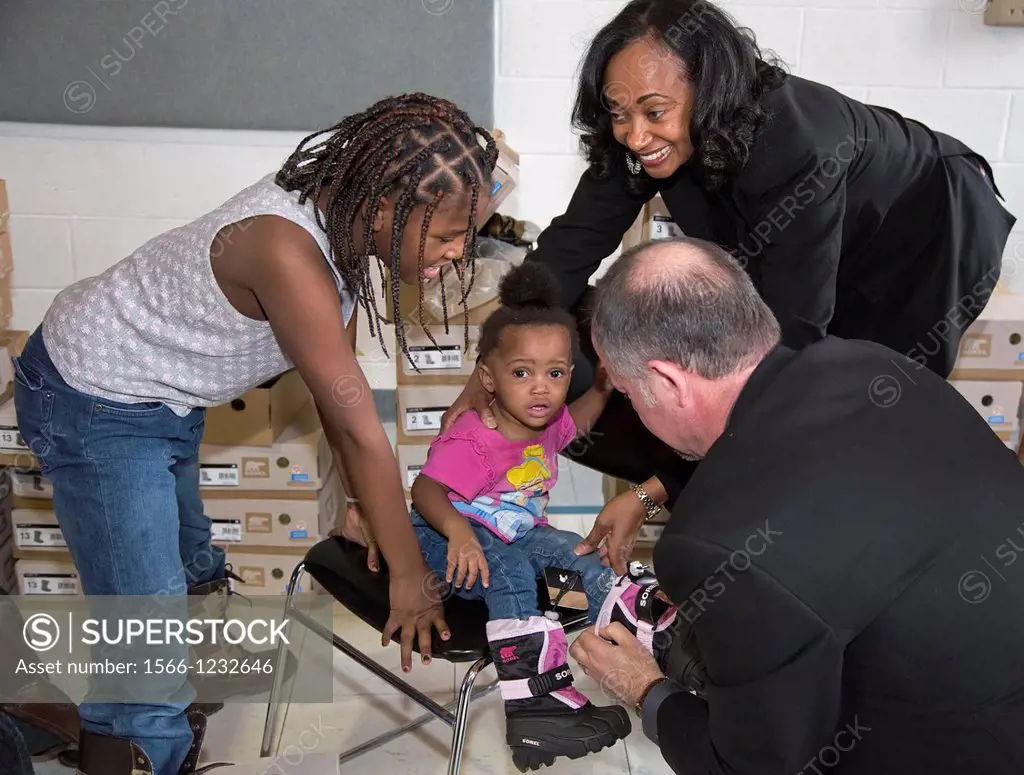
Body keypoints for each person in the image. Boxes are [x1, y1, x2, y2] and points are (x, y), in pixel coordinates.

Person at [12, 93, 499, 775]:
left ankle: (196, 680)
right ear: (387, 204)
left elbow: (339, 405)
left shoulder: (349, 228)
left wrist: (357, 504)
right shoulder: (284, 249)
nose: (456, 254)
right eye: (447, 235)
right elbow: (362, 432)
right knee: (144, 641)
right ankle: (138, 734)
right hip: (94, 399)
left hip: (163, 397)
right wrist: (410, 574)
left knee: (189, 562)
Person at [441, 0, 1018, 547]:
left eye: (654, 113)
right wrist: (489, 371)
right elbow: (569, 248)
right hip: (806, 227)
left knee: (854, 409)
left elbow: (788, 350)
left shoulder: (799, 147)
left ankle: (823, 563)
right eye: (618, 113)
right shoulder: (647, 135)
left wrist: (651, 492)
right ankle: (717, 493)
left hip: (925, 234)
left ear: (708, 90)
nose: (635, 136)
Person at [567, 236, 1024, 775]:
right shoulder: (871, 365)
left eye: (626, 391)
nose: (633, 408)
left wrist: (645, 690)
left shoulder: (711, 544)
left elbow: (751, 766)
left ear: (667, 380)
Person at [409, 261, 632, 772]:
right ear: (487, 377)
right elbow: (425, 490)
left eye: (555, 374)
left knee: (573, 549)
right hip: (448, 536)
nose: (540, 389)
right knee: (506, 569)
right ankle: (533, 705)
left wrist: (600, 387)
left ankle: (645, 630)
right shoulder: (475, 436)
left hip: (513, 534)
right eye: (521, 373)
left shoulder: (545, 423)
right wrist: (459, 531)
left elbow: (575, 423)